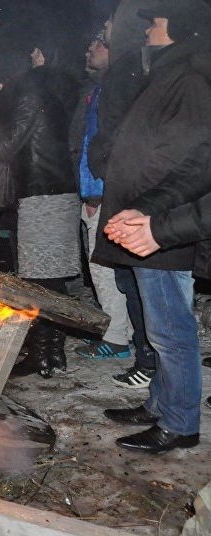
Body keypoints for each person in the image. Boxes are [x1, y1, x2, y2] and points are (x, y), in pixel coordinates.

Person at [97, 1, 211, 453]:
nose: (147, 29)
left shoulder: (192, 76)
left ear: (182, 29)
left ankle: (180, 423)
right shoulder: (173, 71)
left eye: (156, 23)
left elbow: (190, 160)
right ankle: (159, 404)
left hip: (165, 227)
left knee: (171, 329)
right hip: (151, 217)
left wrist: (151, 214)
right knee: (157, 323)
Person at [0, 51, 80, 379]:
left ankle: (43, 354)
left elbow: (7, 146)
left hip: (45, 194)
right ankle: (50, 354)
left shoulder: (30, 95)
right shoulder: (49, 92)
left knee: (41, 280)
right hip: (51, 192)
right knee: (47, 279)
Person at [88, 0, 160, 389]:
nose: (105, 30)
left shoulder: (131, 70)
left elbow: (118, 133)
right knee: (131, 281)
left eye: (110, 24)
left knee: (140, 284)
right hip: (129, 189)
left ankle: (150, 361)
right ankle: (147, 357)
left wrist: (101, 164)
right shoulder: (134, 68)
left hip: (133, 192)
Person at [70, 29, 136, 361]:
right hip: (102, 191)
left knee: (103, 267)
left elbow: (94, 146)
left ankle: (117, 340)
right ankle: (125, 336)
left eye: (99, 44)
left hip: (103, 193)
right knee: (109, 268)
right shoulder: (98, 89)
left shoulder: (111, 89)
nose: (89, 49)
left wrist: (93, 194)